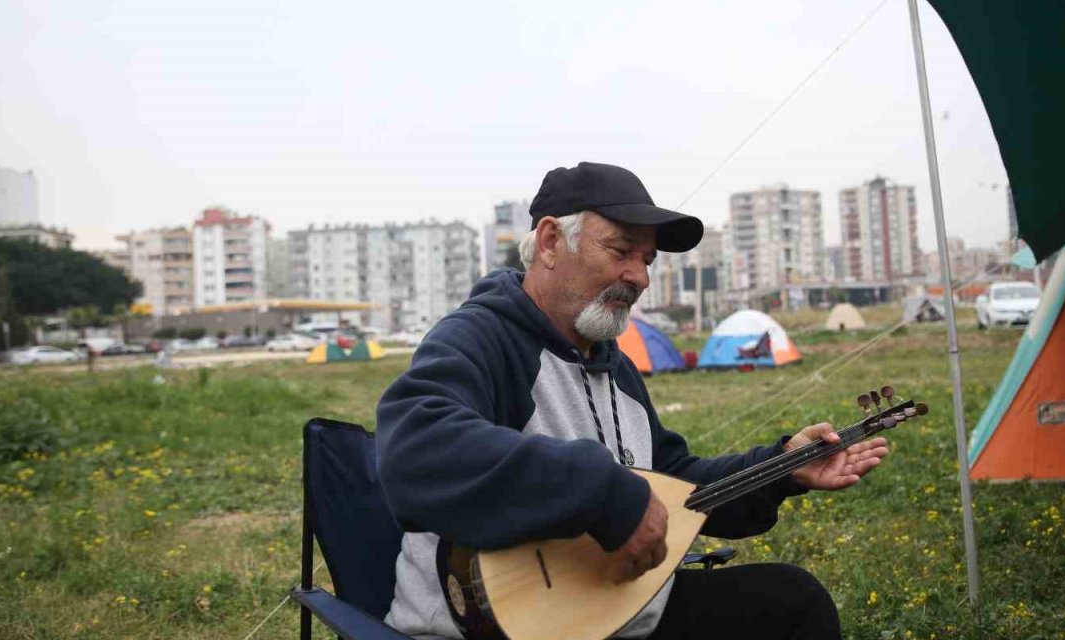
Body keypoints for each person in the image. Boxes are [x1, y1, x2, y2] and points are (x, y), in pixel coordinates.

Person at [376, 162, 888, 639]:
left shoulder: (612, 365)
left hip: (611, 614)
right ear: (551, 242)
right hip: (487, 628)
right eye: (621, 251)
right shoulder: (481, 336)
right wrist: (604, 492)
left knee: (793, 602)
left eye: (646, 260)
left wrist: (781, 467)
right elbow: (416, 447)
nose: (640, 277)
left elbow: (672, 483)